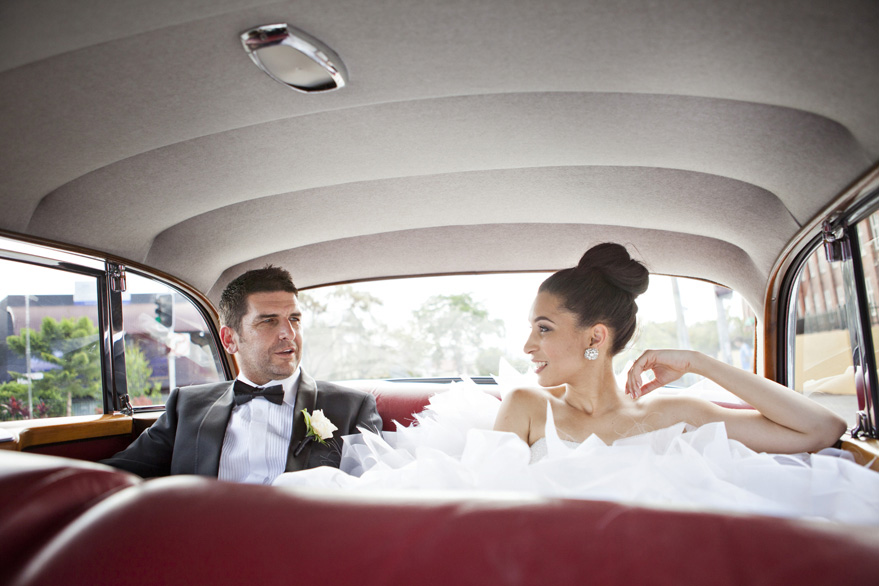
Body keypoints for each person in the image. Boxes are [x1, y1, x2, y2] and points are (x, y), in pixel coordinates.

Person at [493, 242, 848, 460]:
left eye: (543, 328)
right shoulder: (526, 407)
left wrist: (699, 363)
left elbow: (820, 429)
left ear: (594, 338)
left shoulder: (675, 414)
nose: (527, 346)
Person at [102, 265, 382, 483]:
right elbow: (115, 476)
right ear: (229, 339)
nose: (289, 333)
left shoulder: (352, 408)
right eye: (269, 321)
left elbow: (376, 498)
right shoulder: (186, 406)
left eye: (294, 319)